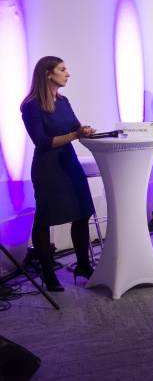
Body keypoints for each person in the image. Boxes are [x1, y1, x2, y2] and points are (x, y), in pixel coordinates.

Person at [20, 56, 97, 291]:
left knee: (82, 212)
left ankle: (83, 265)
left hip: (69, 163)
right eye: (62, 69)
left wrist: (83, 130)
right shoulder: (31, 105)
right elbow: (42, 142)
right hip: (47, 168)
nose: (68, 73)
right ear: (48, 74)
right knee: (45, 219)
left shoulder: (64, 102)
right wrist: (75, 136)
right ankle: (47, 273)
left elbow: (75, 126)